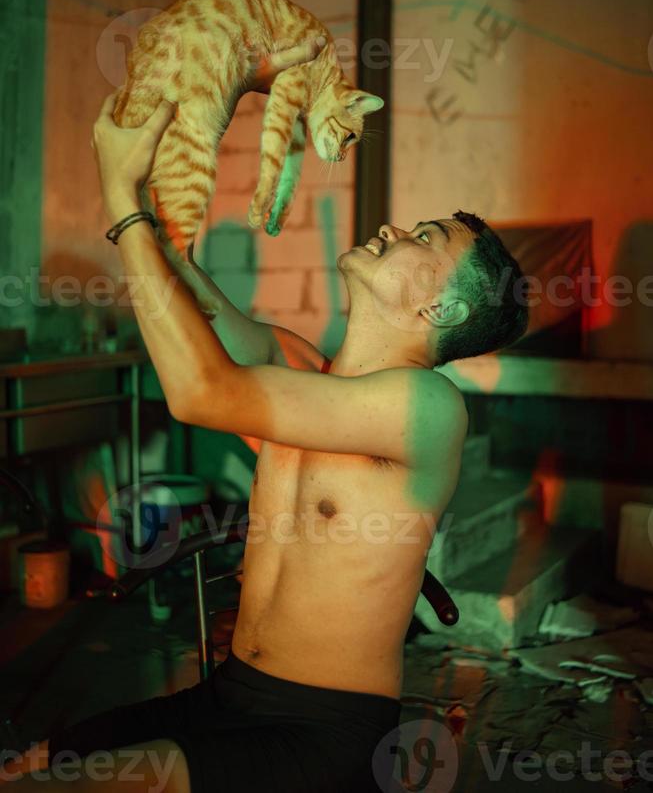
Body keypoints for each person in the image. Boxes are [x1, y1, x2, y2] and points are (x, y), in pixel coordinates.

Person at [4, 40, 527, 793]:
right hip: (226, 694)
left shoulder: (427, 408)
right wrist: (155, 188)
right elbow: (200, 312)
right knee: (34, 764)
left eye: (424, 239)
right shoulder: (297, 362)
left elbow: (201, 392)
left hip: (318, 731)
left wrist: (120, 203)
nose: (395, 229)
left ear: (439, 307)